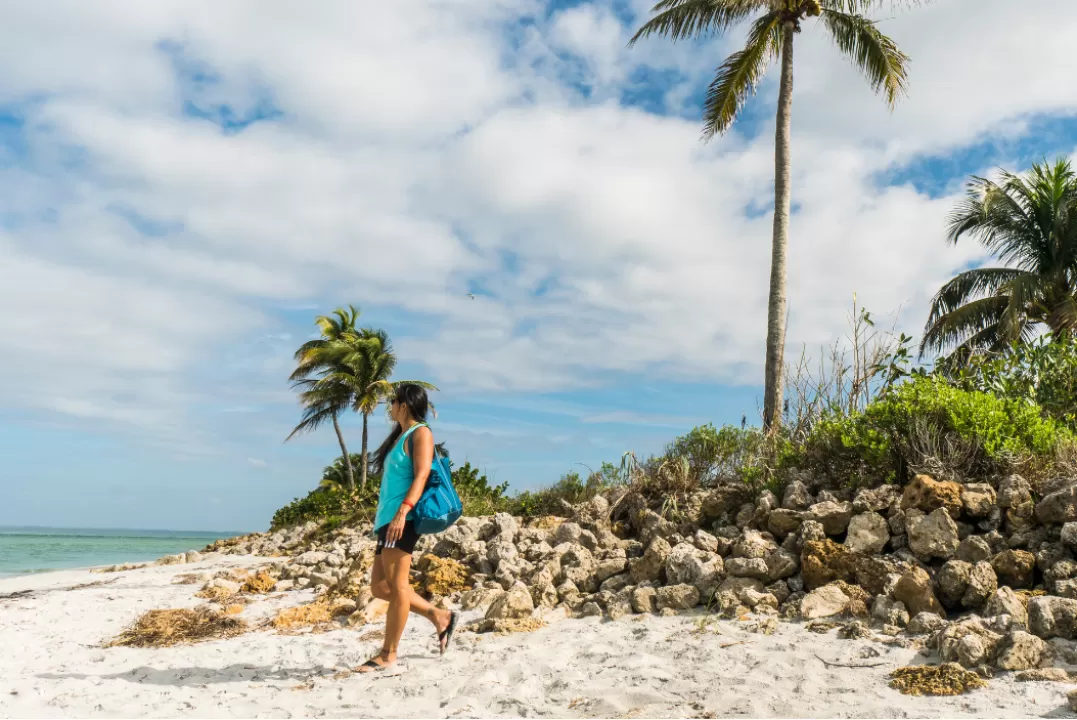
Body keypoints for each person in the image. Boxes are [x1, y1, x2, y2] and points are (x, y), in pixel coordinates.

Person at [357, 383, 458, 673]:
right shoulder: (400, 435)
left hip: (403, 520)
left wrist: (404, 511)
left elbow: (423, 473)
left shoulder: (420, 433)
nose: (389, 406)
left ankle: (388, 654)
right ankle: (440, 616)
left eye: (392, 401)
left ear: (404, 404)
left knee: (399, 587)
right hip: (387, 521)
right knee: (379, 586)